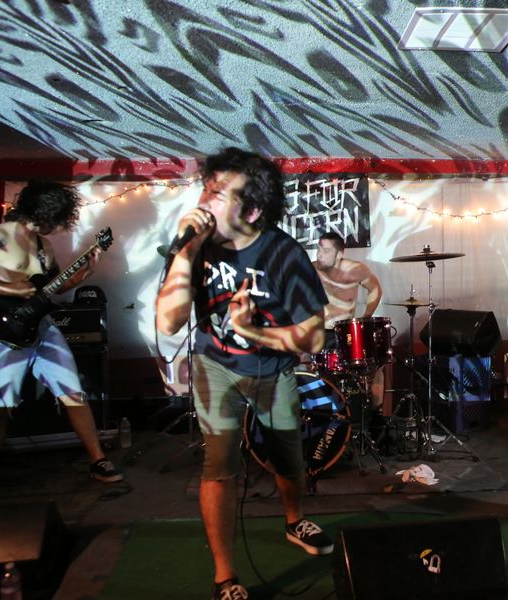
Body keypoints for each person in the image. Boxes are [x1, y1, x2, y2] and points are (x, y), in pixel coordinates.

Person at [155, 147, 333, 600]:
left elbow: (314, 339)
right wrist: (185, 252)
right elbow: (168, 323)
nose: (204, 201)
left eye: (217, 194)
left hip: (273, 370)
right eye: (205, 189)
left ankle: (294, 520)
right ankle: (225, 576)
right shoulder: (195, 246)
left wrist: (252, 330)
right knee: (219, 466)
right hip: (215, 366)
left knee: (288, 457)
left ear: (251, 210)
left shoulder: (284, 254)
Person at [0, 180, 123, 499]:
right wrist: (9, 288)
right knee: (0, 404)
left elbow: (52, 288)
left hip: (43, 327)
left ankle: (98, 460)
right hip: (5, 332)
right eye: (57, 218)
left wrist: (85, 271)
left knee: (73, 392)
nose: (58, 226)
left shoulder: (43, 245)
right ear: (45, 212)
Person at [313, 231, 382, 348]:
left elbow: (375, 288)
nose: (320, 254)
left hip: (344, 332)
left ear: (339, 255)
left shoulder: (355, 270)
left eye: (326, 251)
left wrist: (366, 317)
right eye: (319, 249)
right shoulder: (310, 269)